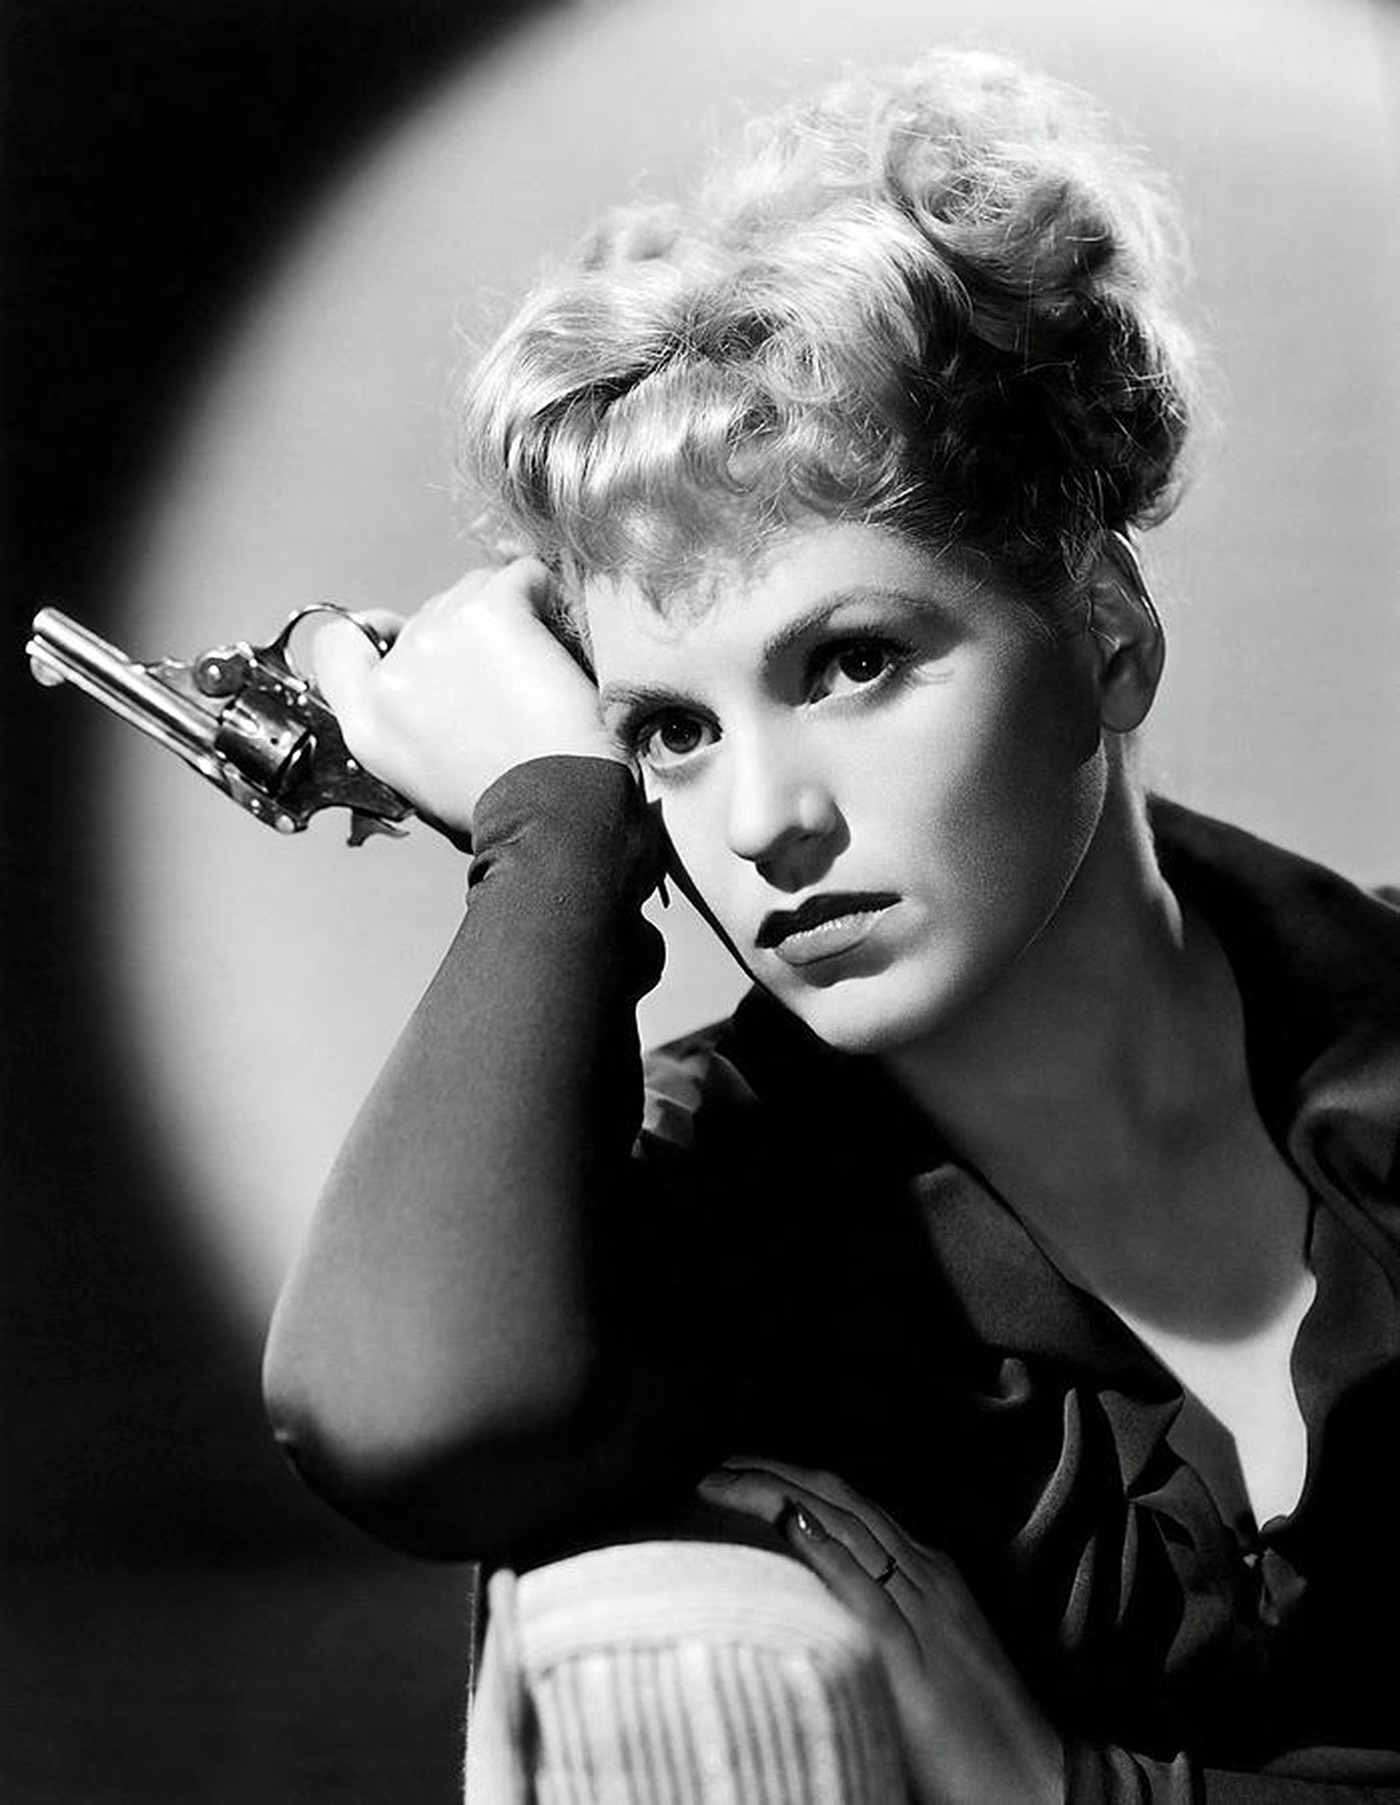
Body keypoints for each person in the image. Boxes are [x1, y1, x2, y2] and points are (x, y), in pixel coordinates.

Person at [262, 48, 1400, 1802]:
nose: (762, 821)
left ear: (1106, 633)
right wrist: (553, 828)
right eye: (671, 731)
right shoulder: (734, 1214)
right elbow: (404, 1411)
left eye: (853, 661)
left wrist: (1075, 1793)